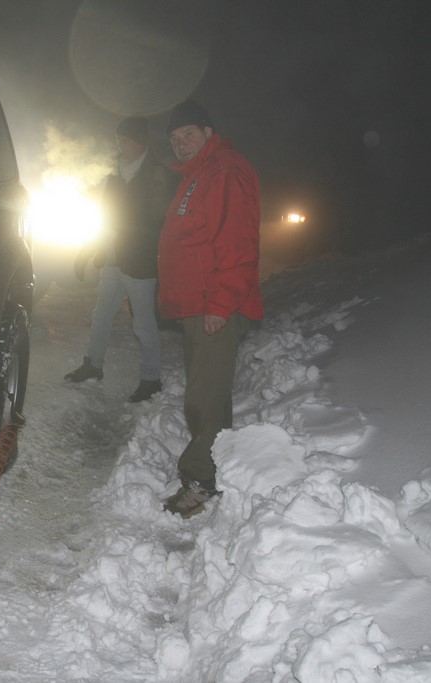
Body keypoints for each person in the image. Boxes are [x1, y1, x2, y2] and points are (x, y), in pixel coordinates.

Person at [157, 100, 263, 518]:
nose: (180, 143)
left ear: (207, 132)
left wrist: (221, 302)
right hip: (198, 304)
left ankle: (201, 480)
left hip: (213, 305)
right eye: (174, 138)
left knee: (204, 398)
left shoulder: (224, 171)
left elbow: (236, 241)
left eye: (188, 134)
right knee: (210, 395)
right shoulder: (200, 173)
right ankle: (217, 466)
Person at [65, 116, 179, 403]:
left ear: (140, 141)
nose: (121, 145)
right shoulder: (115, 174)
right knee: (101, 313)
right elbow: (105, 215)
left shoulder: (157, 174)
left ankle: (151, 378)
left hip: (139, 263)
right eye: (119, 140)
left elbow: (161, 222)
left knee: (143, 323)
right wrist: (88, 248)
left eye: (126, 140)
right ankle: (93, 364)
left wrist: (155, 256)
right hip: (112, 258)